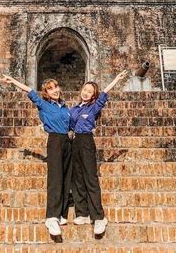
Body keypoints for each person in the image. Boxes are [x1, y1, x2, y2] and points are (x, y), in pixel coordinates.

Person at [0, 74, 71, 237]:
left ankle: (62, 213)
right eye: (50, 88)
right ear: (45, 92)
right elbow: (30, 90)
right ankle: (51, 217)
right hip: (55, 140)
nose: (54, 90)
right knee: (55, 178)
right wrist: (13, 81)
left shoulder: (65, 107)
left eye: (56, 87)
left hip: (69, 141)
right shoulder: (44, 104)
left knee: (67, 178)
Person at [69, 70, 129, 235]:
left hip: (87, 141)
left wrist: (115, 79)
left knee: (90, 178)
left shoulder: (94, 107)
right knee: (78, 178)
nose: (86, 93)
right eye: (85, 90)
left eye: (90, 91)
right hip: (74, 142)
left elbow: (104, 94)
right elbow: (66, 122)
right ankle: (82, 213)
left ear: (93, 95)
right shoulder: (74, 109)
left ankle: (99, 217)